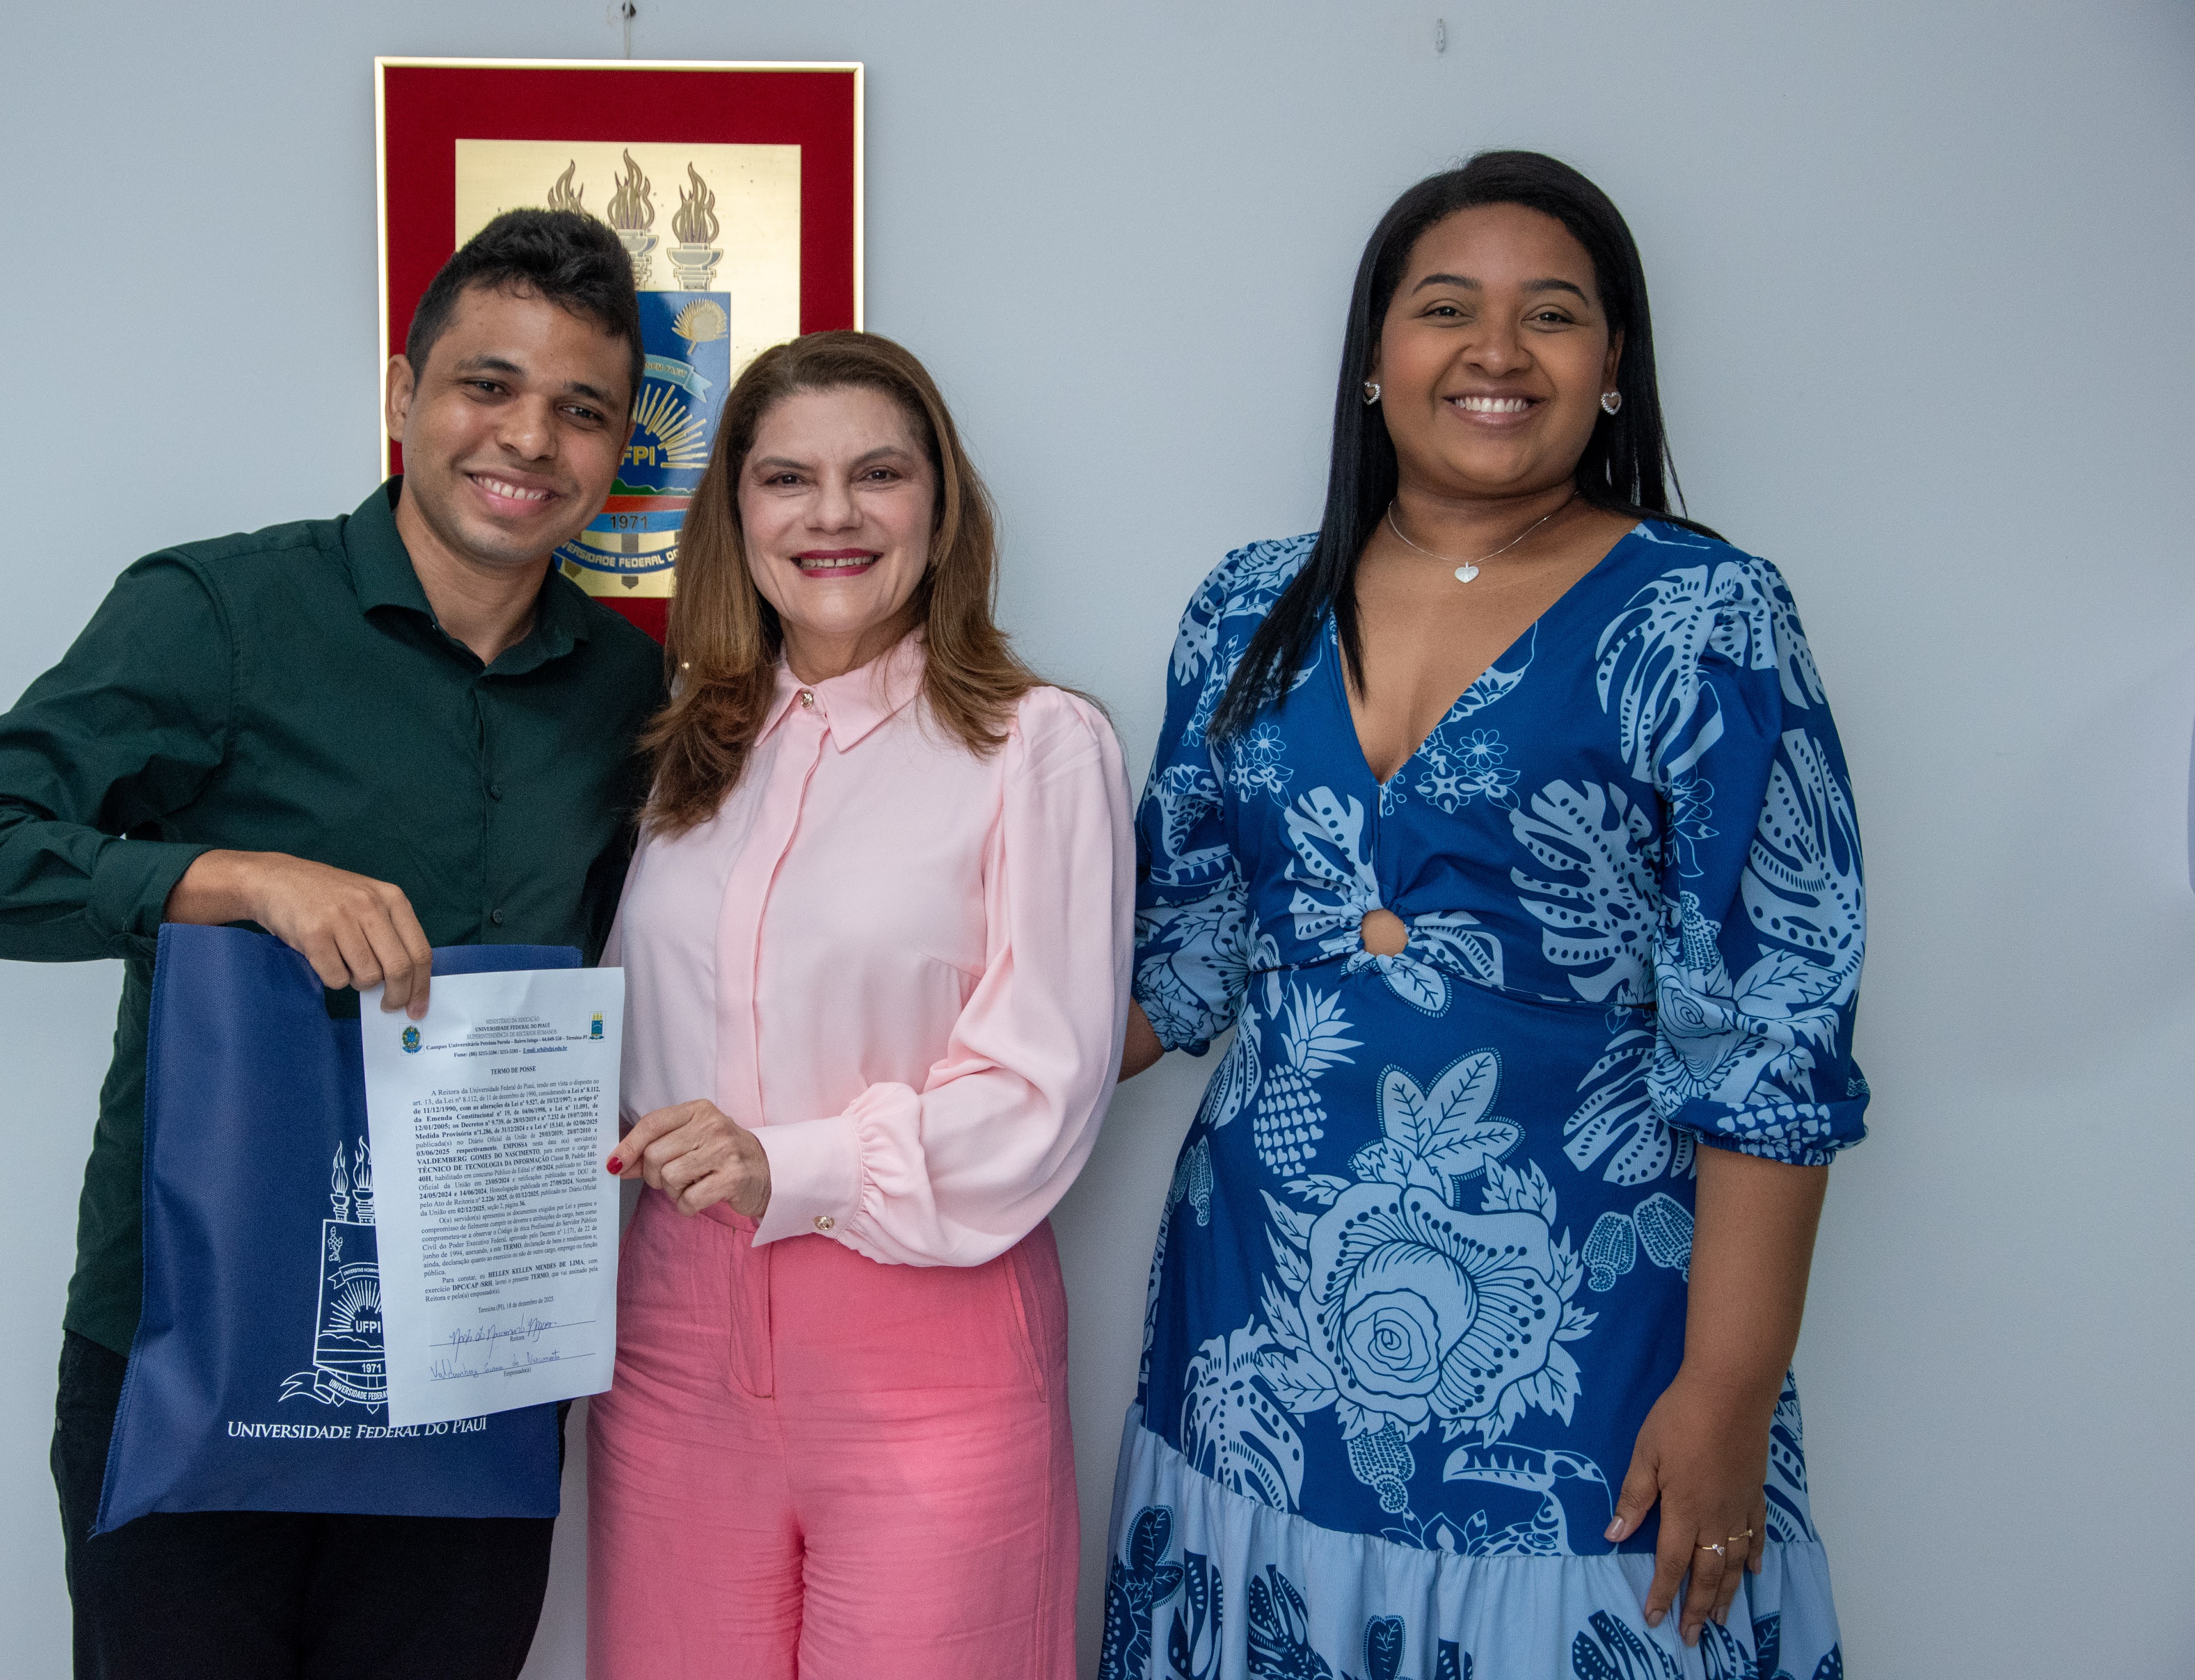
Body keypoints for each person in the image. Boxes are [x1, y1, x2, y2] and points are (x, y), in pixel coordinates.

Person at [0, 209, 668, 1678]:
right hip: (199, 1334)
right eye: (487, 385)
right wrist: (228, 876)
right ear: (402, 393)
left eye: (581, 409)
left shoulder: (630, 688)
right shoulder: (218, 612)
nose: (528, 439)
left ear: (619, 448)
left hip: (484, 1351)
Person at [1105, 152, 1863, 1679]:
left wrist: (1728, 1388)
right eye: (1446, 308)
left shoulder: (1703, 616)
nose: (1496, 351)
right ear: (1374, 357)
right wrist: (873, 1085)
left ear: (1613, 364)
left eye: (1553, 315)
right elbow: (1172, 962)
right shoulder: (1246, 607)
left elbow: (1772, 1033)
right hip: (1257, 1316)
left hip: (1591, 1320)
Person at [589, 331, 1132, 1679]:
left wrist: (789, 1162)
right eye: (787, 479)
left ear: (941, 508)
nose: (831, 514)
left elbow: (1043, 1090)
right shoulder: (682, 750)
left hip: (930, 1348)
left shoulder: (1036, 745)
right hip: (670, 1339)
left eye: (878, 474)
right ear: (736, 517)